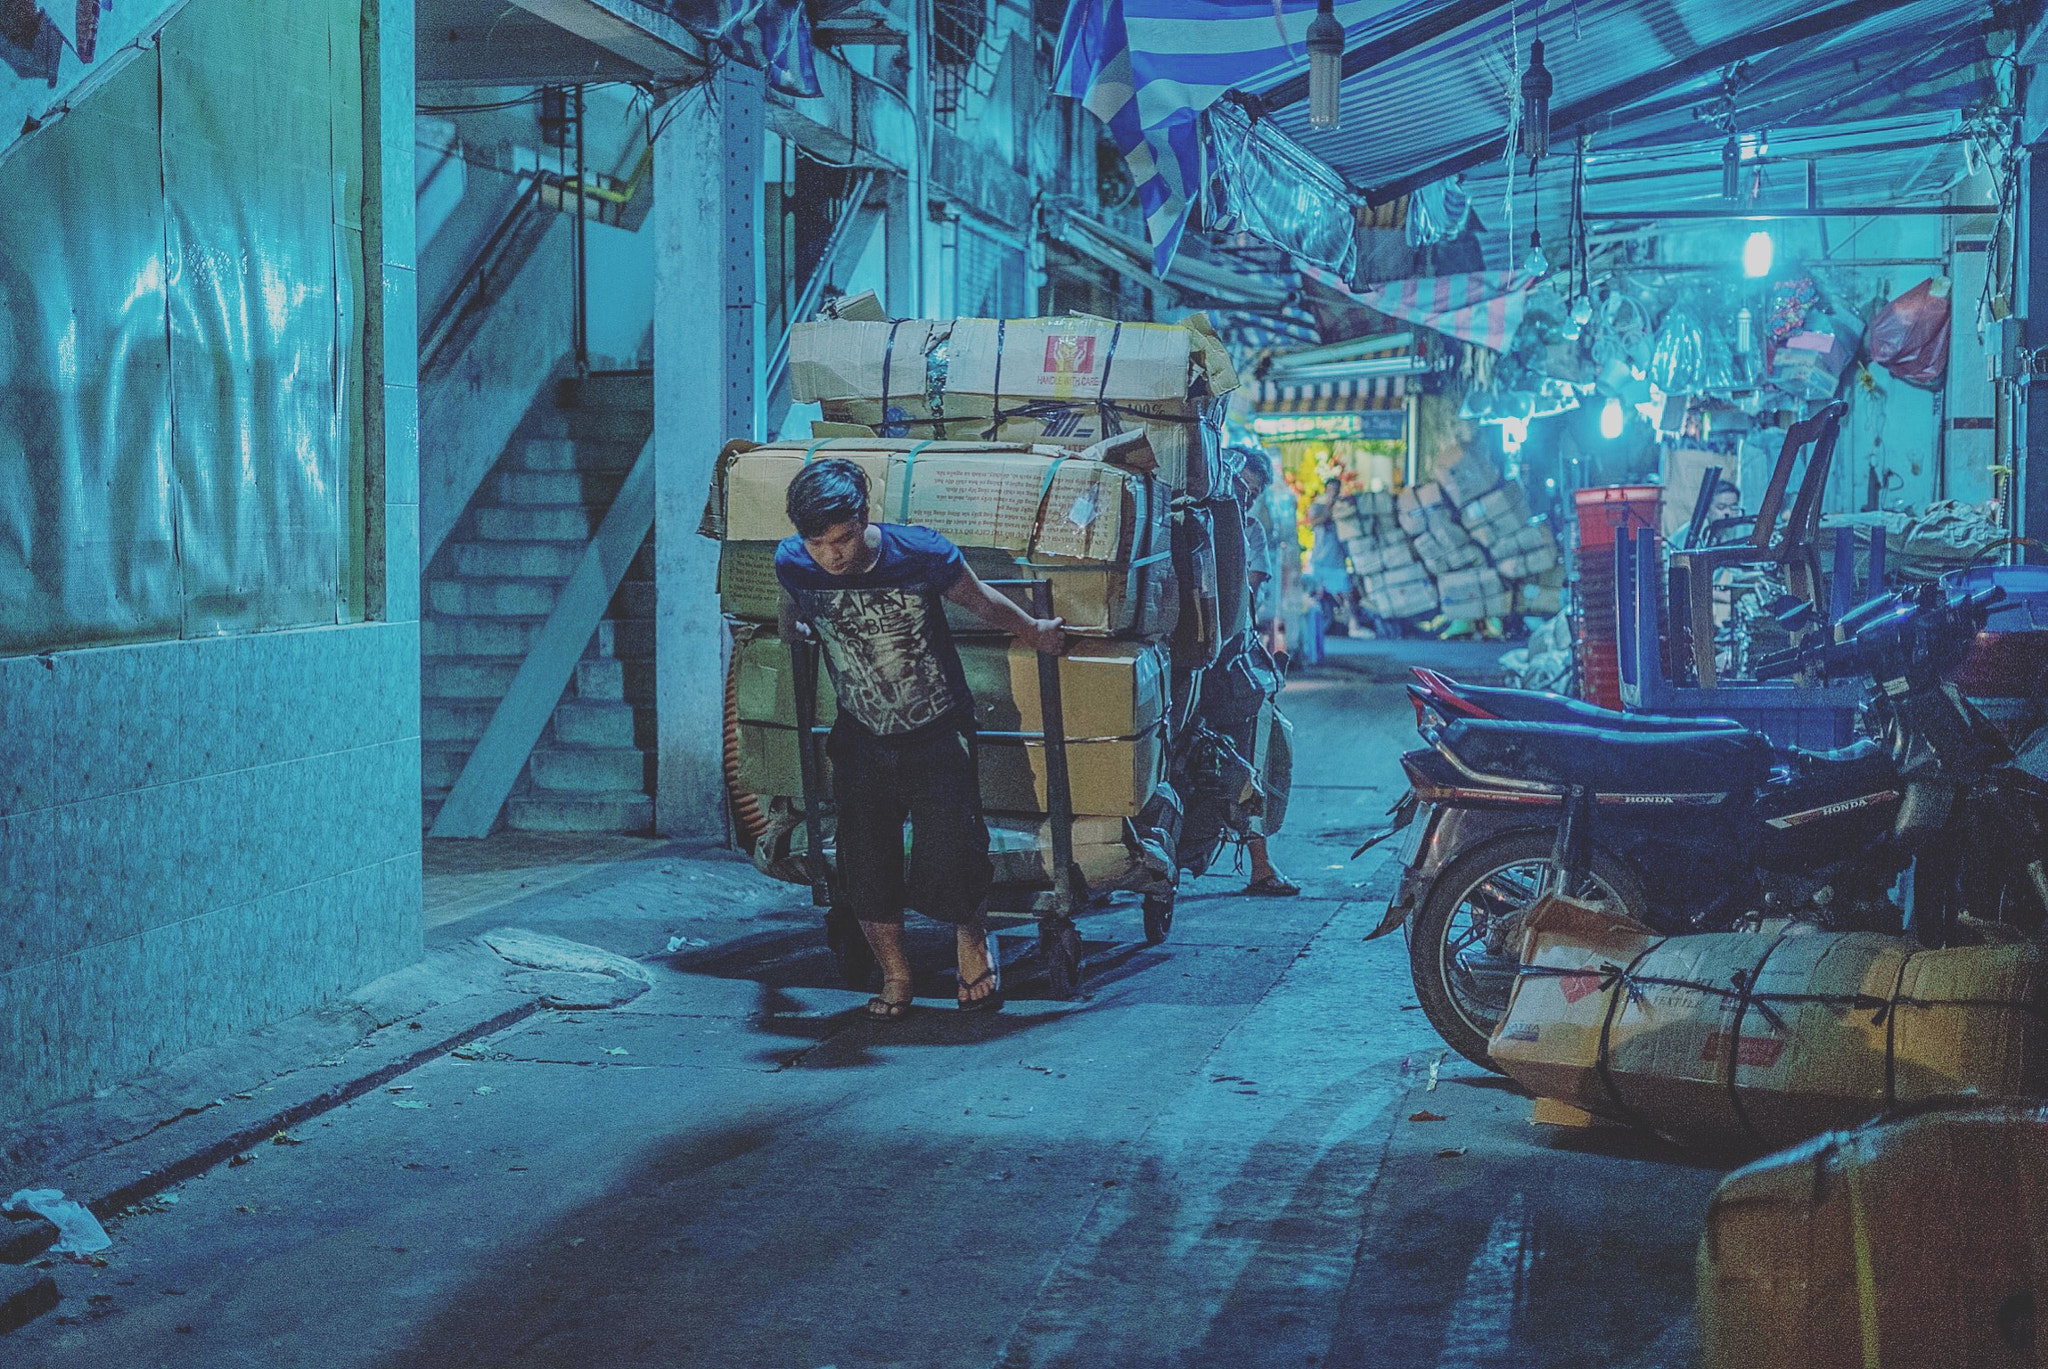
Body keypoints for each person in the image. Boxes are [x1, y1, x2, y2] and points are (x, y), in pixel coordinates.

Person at [775, 459, 1065, 1020]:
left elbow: (980, 601)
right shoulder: (794, 563)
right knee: (865, 858)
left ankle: (971, 944)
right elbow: (792, 610)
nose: (832, 555)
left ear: (864, 518)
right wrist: (799, 627)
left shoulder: (921, 554)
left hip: (936, 729)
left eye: (843, 539)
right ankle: (897, 973)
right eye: (818, 543)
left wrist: (1033, 631)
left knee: (955, 848)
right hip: (861, 733)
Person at [1226, 447, 1301, 899]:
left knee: (1256, 752)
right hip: (1204, 656)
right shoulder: (1193, 519)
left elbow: (1246, 594)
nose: (1245, 500)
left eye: (1252, 495)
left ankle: (1259, 860)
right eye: (1242, 489)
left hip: (1233, 656)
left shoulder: (1248, 530)